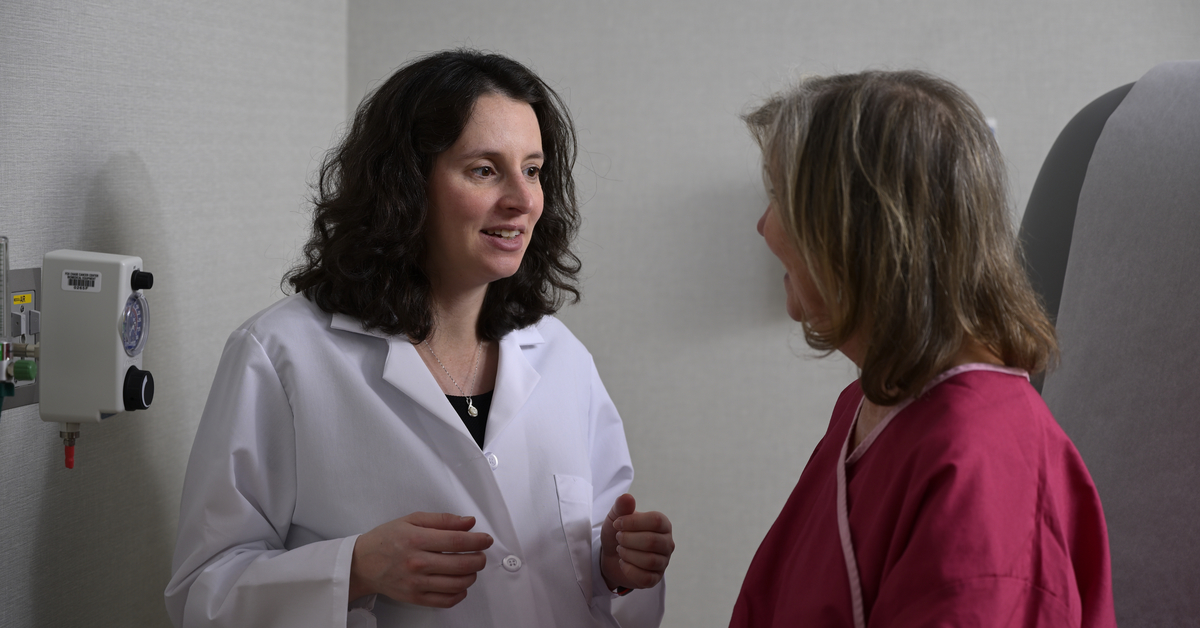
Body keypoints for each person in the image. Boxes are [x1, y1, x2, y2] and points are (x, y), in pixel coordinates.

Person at [165, 49, 673, 628]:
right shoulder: (282, 357)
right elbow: (202, 595)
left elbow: (597, 582)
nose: (524, 199)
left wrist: (616, 568)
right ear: (404, 185)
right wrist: (354, 568)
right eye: (485, 169)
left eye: (532, 169)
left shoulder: (561, 357)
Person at [731, 71, 1116, 627]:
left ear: (853, 232)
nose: (764, 227)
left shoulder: (982, 467)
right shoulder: (869, 404)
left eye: (780, 200)